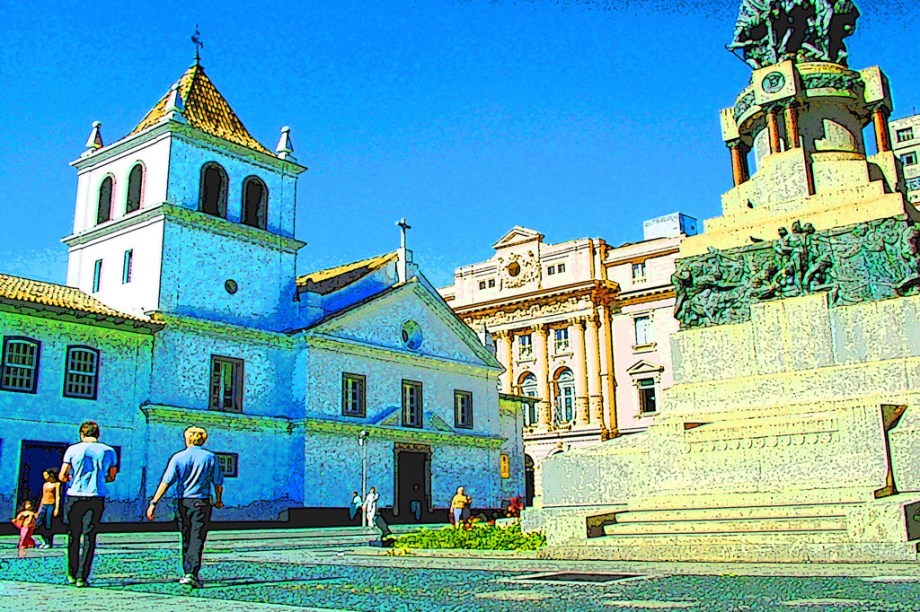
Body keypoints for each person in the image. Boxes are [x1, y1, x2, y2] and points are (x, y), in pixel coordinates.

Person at [146, 426, 224, 589]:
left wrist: (154, 502)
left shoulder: (178, 457)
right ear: (203, 440)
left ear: (187, 439)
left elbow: (166, 481)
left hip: (183, 501)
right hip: (201, 502)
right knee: (198, 536)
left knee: (186, 535)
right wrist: (218, 500)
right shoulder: (210, 457)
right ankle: (192, 573)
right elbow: (217, 482)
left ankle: (186, 570)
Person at [60, 420, 118, 588]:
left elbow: (63, 475)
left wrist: (72, 479)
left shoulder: (72, 449)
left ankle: (71, 572)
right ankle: (82, 576)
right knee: (89, 536)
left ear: (82, 434)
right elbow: (112, 476)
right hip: (95, 495)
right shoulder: (108, 451)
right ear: (98, 434)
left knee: (73, 535)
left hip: (75, 495)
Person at [36, 468, 62, 548]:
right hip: (44, 505)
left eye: (46, 475)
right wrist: (39, 509)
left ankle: (48, 542)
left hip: (51, 504)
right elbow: (43, 497)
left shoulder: (57, 484)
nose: (44, 477)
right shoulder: (45, 485)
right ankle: (43, 540)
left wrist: (56, 508)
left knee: (48, 524)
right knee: (38, 523)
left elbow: (58, 497)